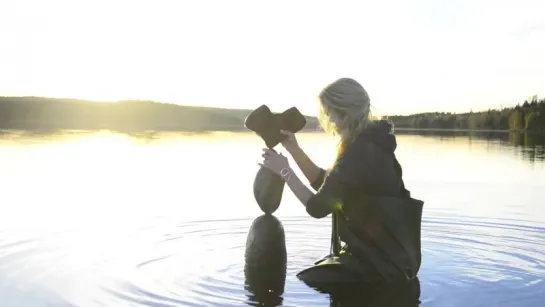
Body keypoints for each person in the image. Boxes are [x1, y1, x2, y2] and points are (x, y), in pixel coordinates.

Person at [259, 77, 422, 284]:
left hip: (383, 264)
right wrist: (294, 150)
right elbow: (326, 186)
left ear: (345, 114)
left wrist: (285, 171)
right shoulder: (368, 143)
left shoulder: (361, 152)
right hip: (392, 258)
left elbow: (318, 207)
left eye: (329, 114)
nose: (327, 121)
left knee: (307, 279)